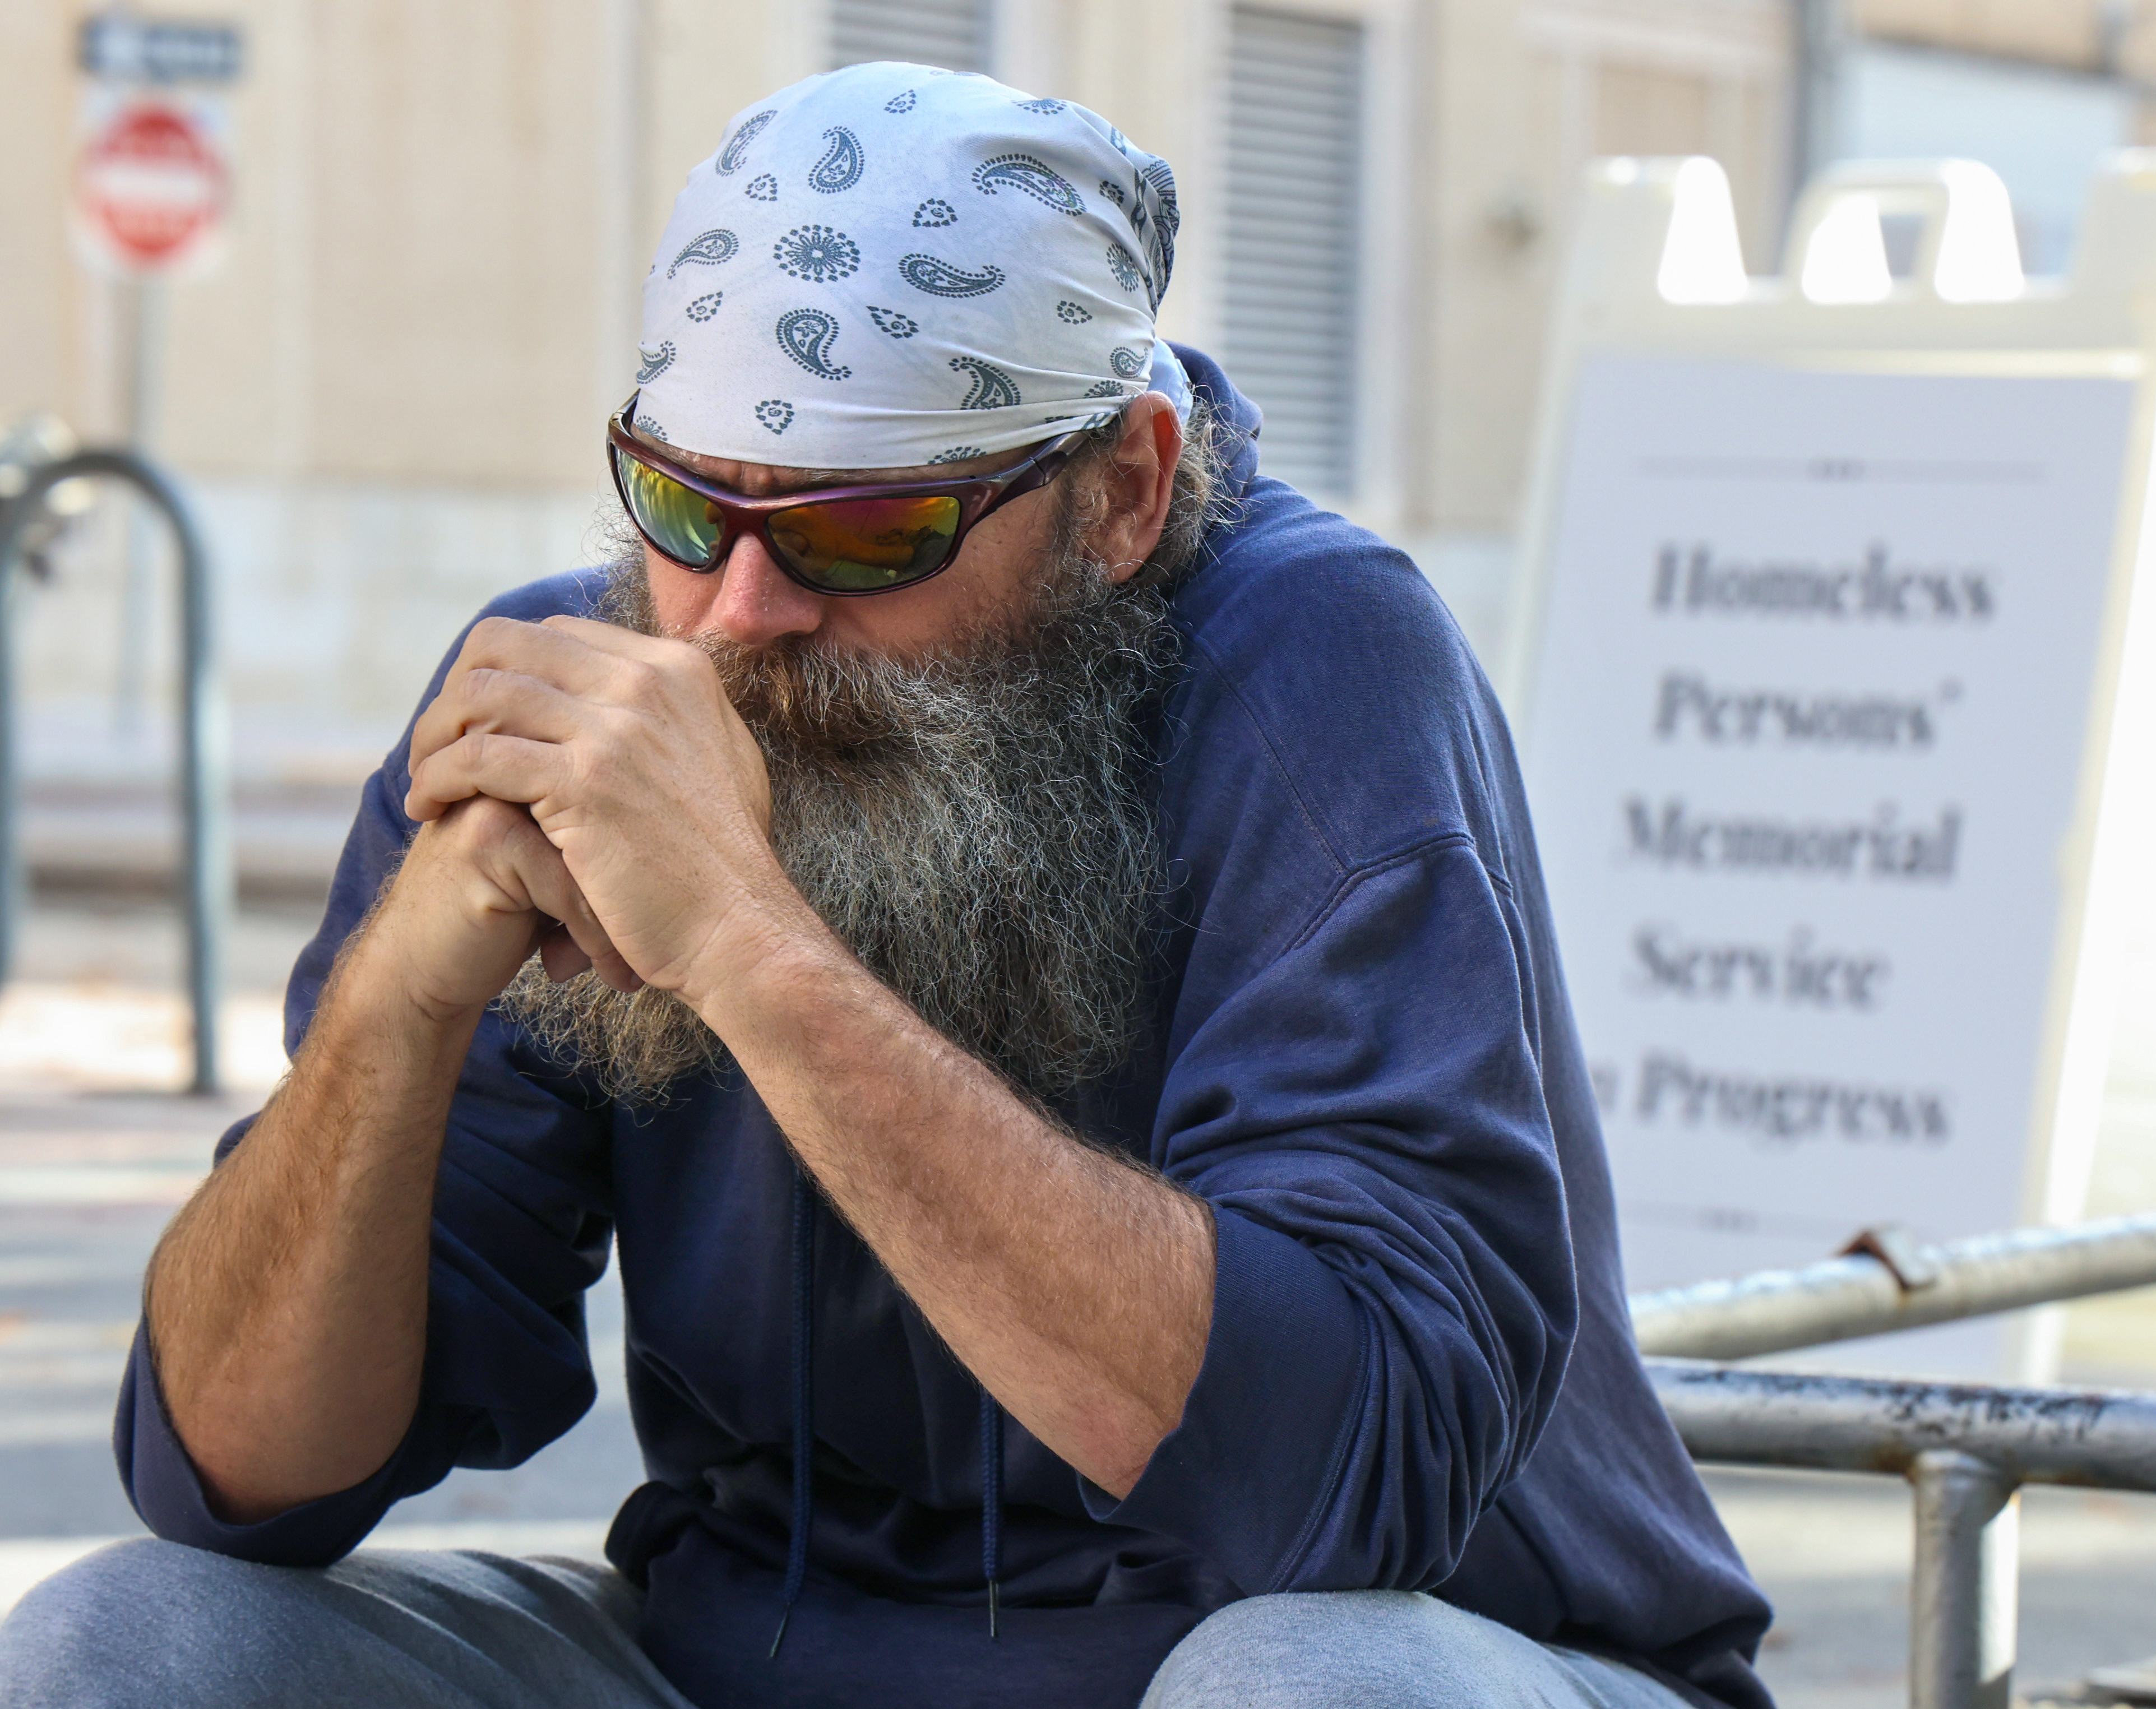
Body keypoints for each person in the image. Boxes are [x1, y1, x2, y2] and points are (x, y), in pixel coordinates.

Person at [0, 64, 1772, 1709]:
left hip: (1399, 1654)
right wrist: (402, 996)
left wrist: (755, 953)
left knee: (1298, 1687)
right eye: (686, 507)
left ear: (1122, 494)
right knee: (128, 1641)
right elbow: (233, 1474)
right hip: (751, 1664)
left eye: (862, 533)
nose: (745, 614)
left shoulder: (1322, 664)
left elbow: (1338, 1486)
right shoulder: (579, 673)